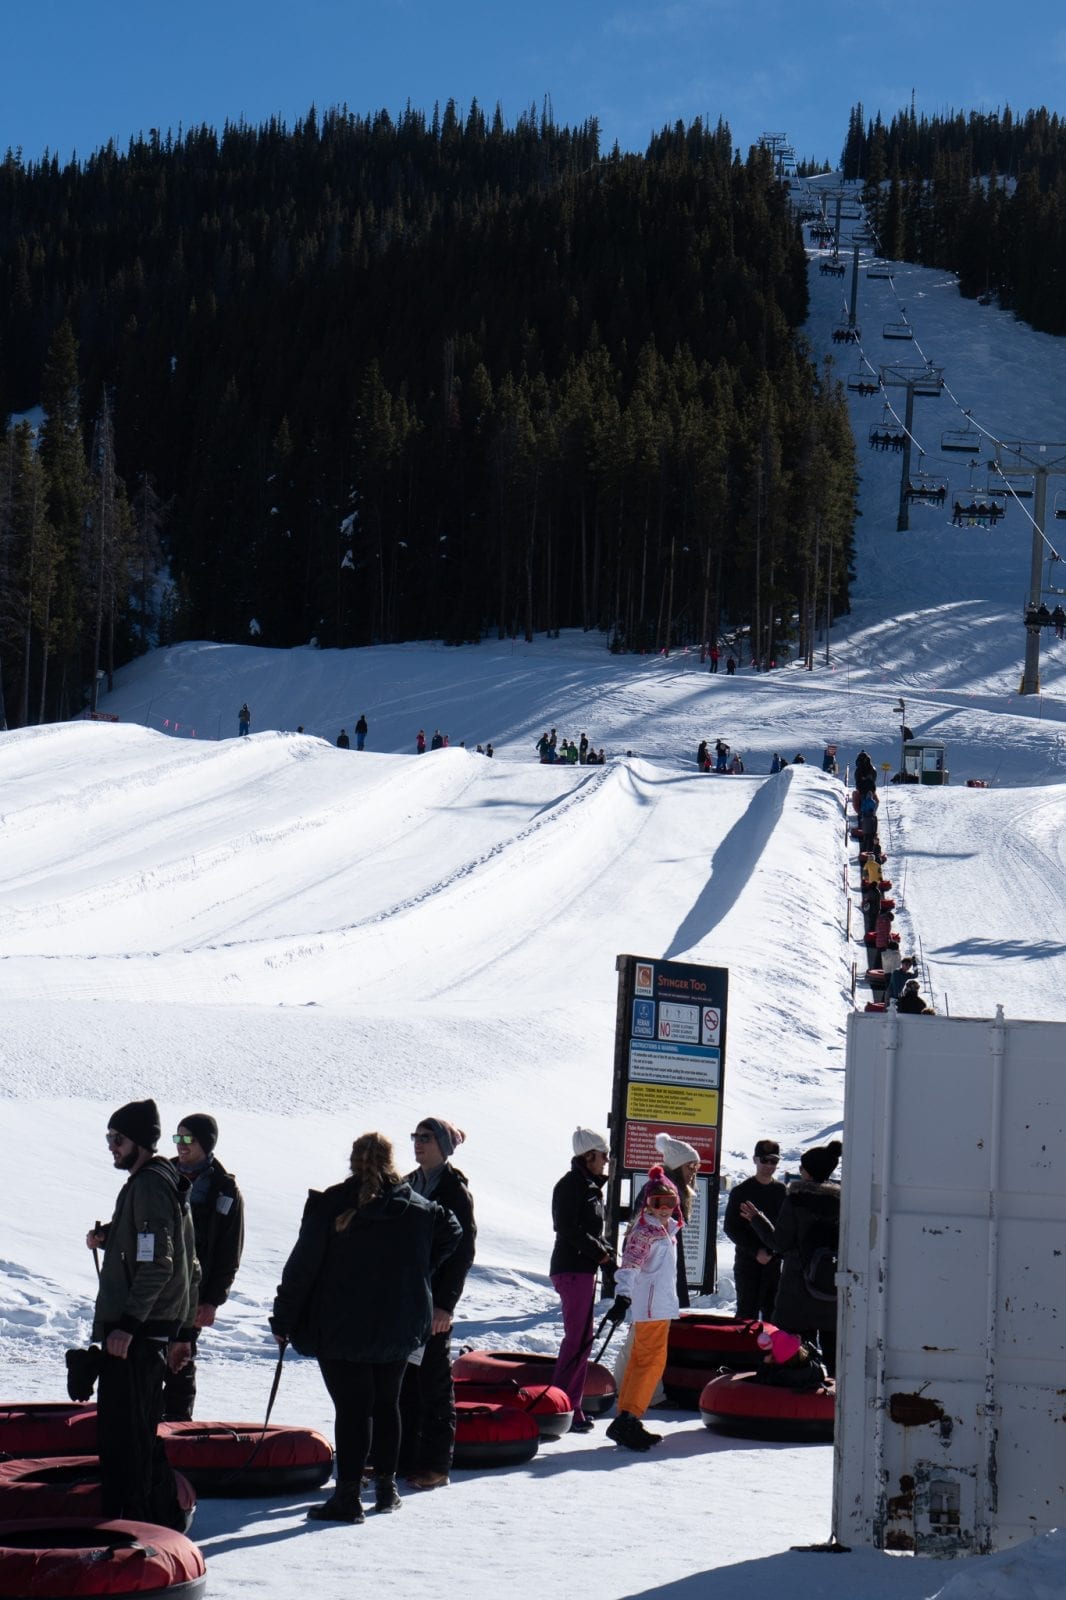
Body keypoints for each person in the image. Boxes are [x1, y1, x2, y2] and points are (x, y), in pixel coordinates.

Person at [270, 1132, 462, 1524]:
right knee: (387, 1404)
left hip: (340, 1324)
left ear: (354, 1161)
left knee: (352, 1409)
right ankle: (386, 1490)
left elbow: (302, 1267)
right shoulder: (418, 1208)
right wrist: (420, 1269)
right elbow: (453, 1231)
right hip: (398, 1324)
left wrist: (284, 1318)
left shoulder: (332, 1204)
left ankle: (347, 1497)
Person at [87, 1099, 198, 1528]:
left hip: (137, 1334)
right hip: (145, 1330)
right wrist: (111, 1235)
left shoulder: (150, 1185)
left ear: (139, 1141)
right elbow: (181, 1259)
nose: (111, 1146)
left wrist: (128, 1326)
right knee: (132, 1434)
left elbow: (159, 1263)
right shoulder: (158, 1181)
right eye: (109, 1137)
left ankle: (139, 1527)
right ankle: (147, 1519)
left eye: (118, 1138)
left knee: (128, 1439)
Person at [399, 1118, 476, 1491]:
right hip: (405, 1300)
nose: (418, 1143)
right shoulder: (407, 1183)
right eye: (415, 1137)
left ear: (443, 1146)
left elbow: (463, 1253)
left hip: (433, 1303)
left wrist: (445, 1305)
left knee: (434, 1385)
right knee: (402, 1382)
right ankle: (403, 1458)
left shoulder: (454, 1191)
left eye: (426, 1138)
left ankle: (436, 1464)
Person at [163, 1114, 245, 1421]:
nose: (181, 1145)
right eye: (178, 1138)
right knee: (146, 1362)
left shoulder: (224, 1190)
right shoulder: (161, 1174)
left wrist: (213, 1300)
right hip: (154, 1287)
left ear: (206, 1143)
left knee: (179, 1363)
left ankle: (176, 1430)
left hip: (192, 1294)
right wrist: (106, 1235)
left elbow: (229, 1252)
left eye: (188, 1139)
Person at [745, 1140, 842, 1376]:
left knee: (795, 1352)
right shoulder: (841, 1202)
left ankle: (800, 1390)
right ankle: (834, 1395)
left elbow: (780, 1243)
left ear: (808, 1172)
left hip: (797, 1291)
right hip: (832, 1289)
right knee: (834, 1354)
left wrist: (757, 1220)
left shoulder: (796, 1200)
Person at [604, 1166, 681, 1451]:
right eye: (657, 1202)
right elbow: (629, 1267)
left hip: (658, 1305)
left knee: (641, 1361)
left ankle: (627, 1416)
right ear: (647, 1204)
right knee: (651, 1362)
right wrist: (623, 1296)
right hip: (652, 1307)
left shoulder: (665, 1230)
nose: (664, 1208)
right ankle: (629, 1417)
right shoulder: (645, 1232)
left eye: (670, 1202)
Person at [550, 1129, 613, 1434]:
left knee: (582, 1339)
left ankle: (569, 1404)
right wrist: (599, 1253)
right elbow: (566, 1227)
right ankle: (561, 1405)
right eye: (603, 1155)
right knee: (577, 1339)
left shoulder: (588, 1186)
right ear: (589, 1156)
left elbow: (589, 1231)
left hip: (581, 1268)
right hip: (572, 1268)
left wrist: (605, 1252)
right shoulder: (572, 1185)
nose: (606, 1161)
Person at [726, 1140, 787, 1320]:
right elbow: (731, 1228)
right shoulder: (741, 1191)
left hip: (774, 1265)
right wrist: (755, 1251)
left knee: (774, 1317)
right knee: (746, 1316)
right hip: (748, 1263)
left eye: (774, 1161)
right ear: (755, 1160)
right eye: (764, 1160)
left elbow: (786, 1229)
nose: (769, 1165)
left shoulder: (782, 1191)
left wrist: (774, 1252)